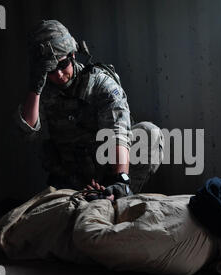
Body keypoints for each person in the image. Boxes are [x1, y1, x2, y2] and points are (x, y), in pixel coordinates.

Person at [0, 177, 221, 275]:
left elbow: (92, 235)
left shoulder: (197, 232)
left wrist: (107, 200)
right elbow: (92, 235)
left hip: (53, 217)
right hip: (50, 216)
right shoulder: (192, 236)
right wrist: (112, 199)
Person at [17, 20, 164, 199]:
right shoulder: (42, 91)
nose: (58, 75)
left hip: (110, 168)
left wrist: (120, 180)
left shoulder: (100, 84)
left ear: (72, 55)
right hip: (72, 177)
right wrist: (35, 87)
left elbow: (118, 133)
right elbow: (28, 132)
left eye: (62, 65)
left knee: (149, 133)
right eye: (50, 70)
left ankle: (118, 194)